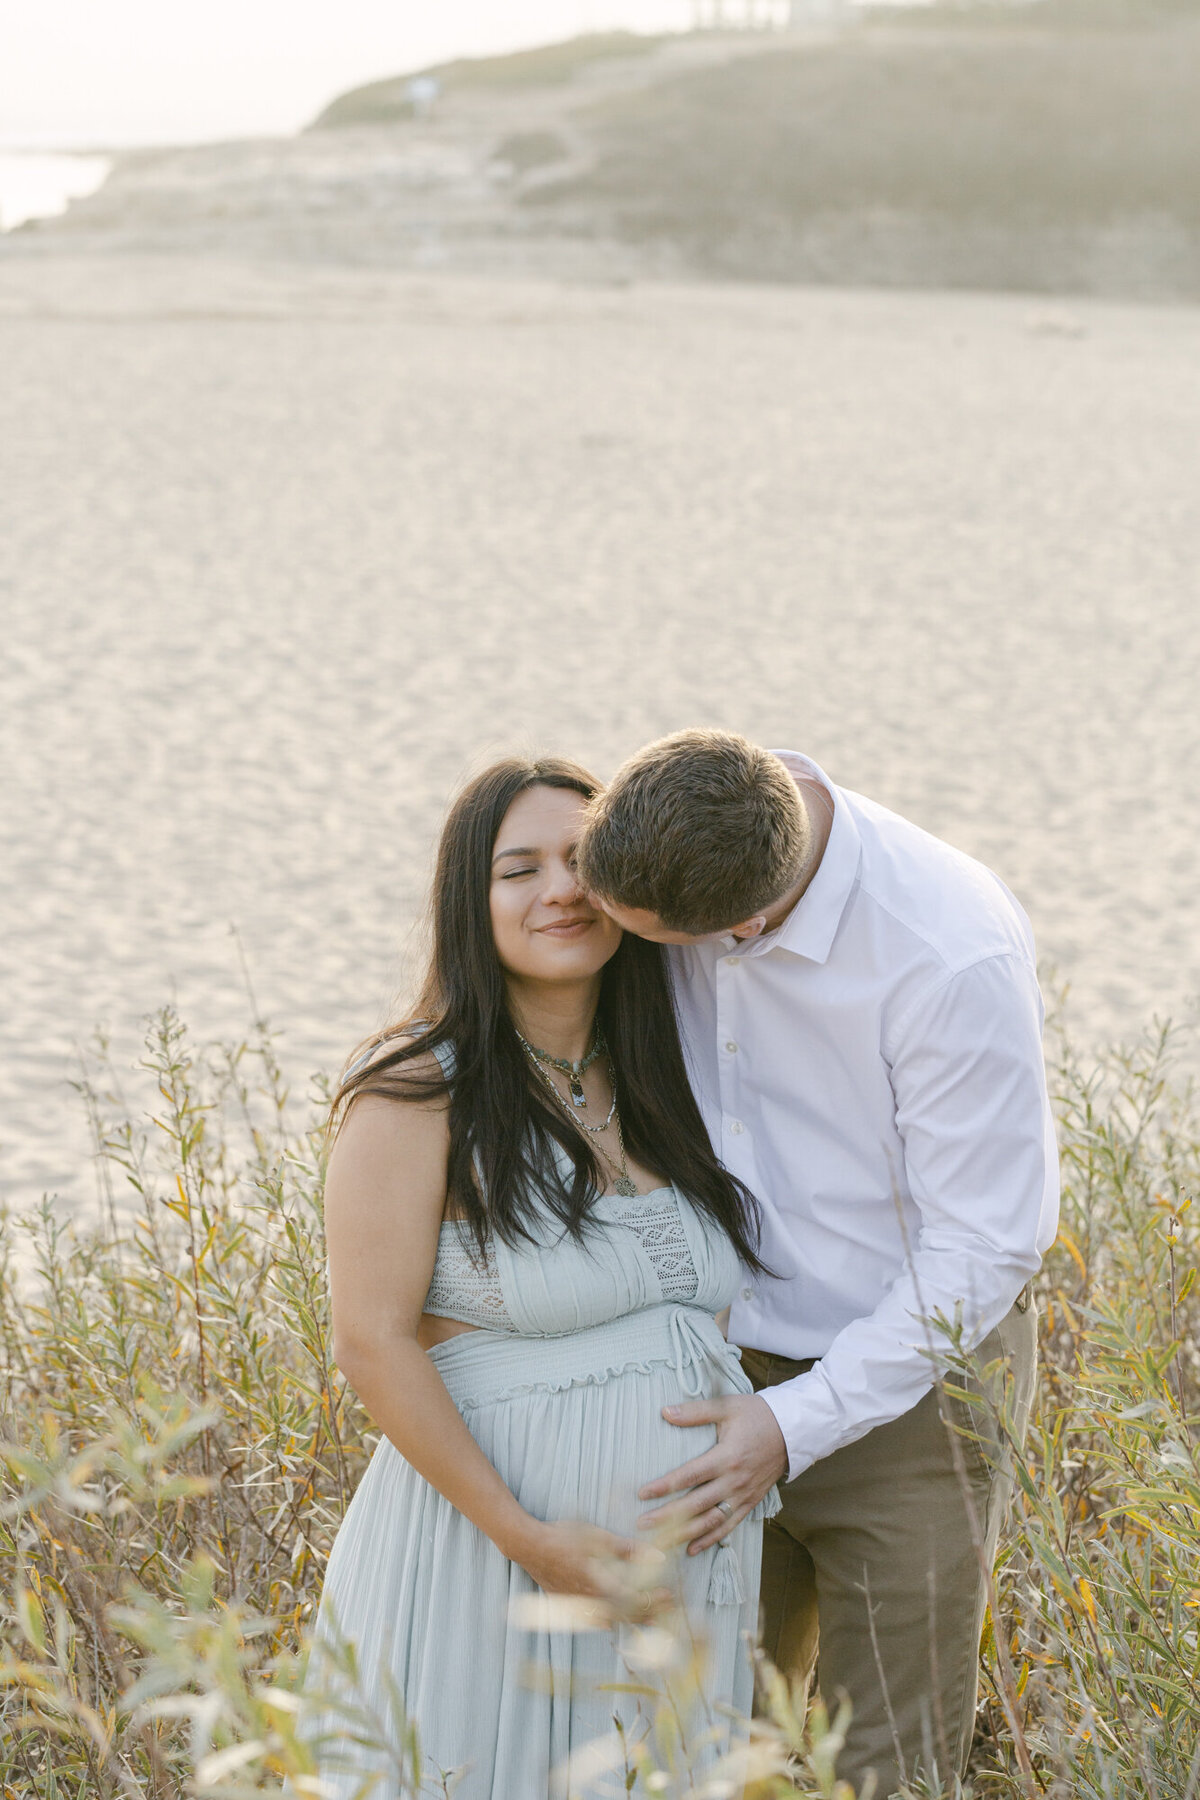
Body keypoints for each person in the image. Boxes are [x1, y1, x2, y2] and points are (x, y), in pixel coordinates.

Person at [576, 729, 1059, 1796]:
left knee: (885, 1757)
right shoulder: (693, 824)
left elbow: (985, 1245)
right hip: (711, 1373)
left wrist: (794, 1424)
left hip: (917, 1392)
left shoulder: (946, 950)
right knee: (703, 1734)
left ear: (738, 927)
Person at [305, 756, 779, 1800]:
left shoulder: (669, 1077)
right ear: (468, 906)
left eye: (581, 862)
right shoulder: (417, 1088)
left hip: (675, 1592)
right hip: (492, 1568)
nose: (560, 889)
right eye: (518, 870)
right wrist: (529, 1539)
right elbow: (370, 1340)